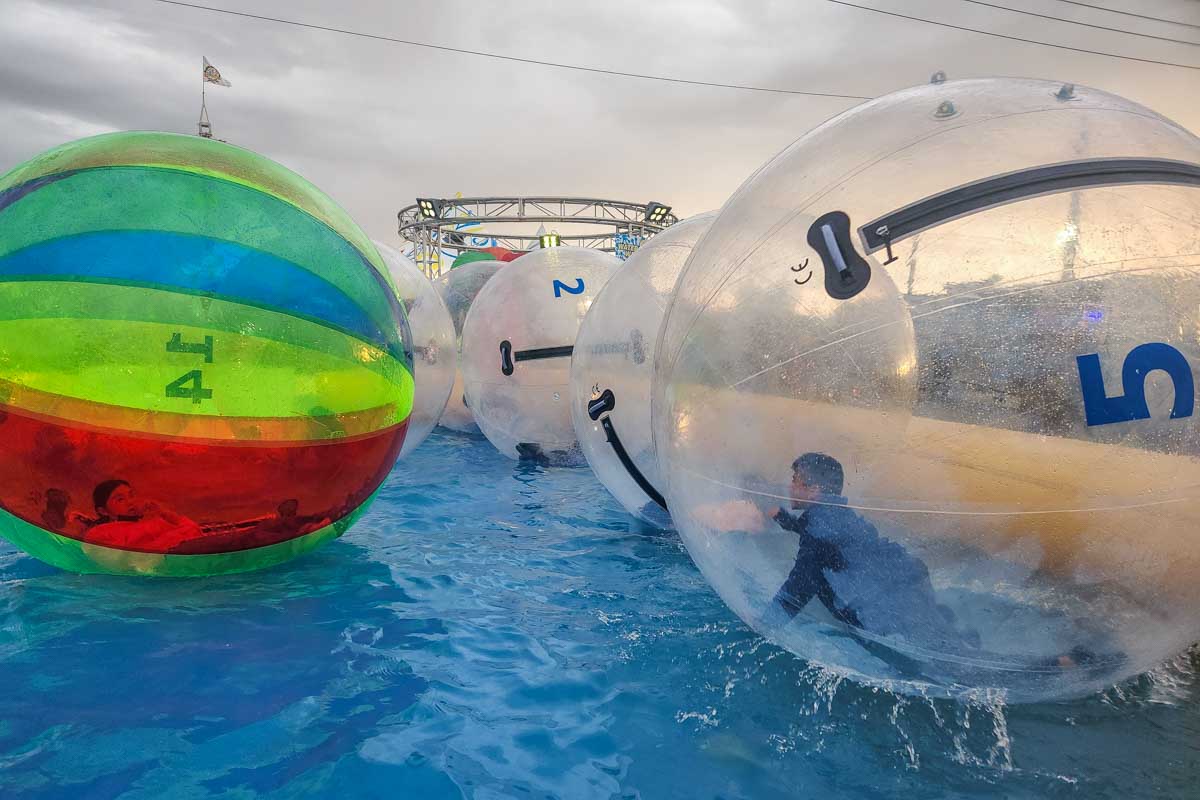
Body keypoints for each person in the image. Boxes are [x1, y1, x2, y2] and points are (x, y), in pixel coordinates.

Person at [83, 479, 203, 551]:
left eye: (131, 495)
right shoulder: (99, 533)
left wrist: (164, 513)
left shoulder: (153, 522)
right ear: (103, 511)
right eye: (120, 499)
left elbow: (195, 531)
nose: (130, 501)